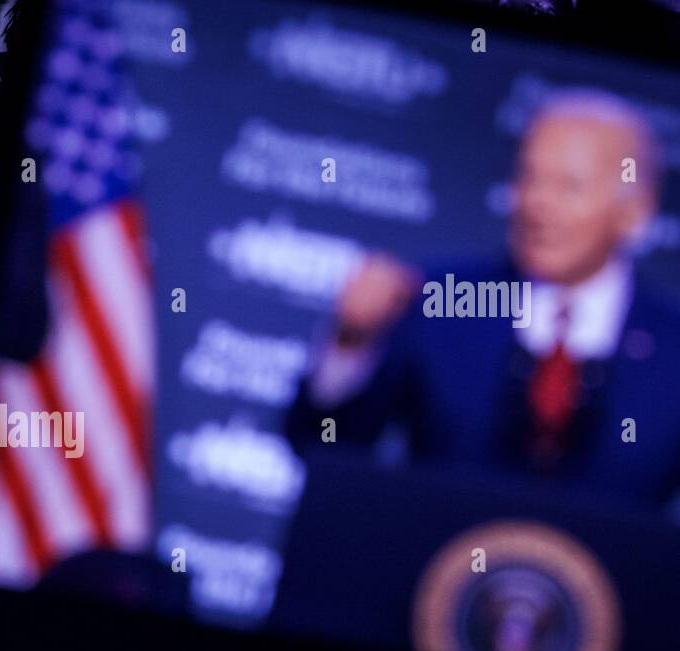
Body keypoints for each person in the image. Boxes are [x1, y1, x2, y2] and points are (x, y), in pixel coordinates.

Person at [287, 90, 680, 507]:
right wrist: (351, 345)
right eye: (529, 177)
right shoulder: (449, 300)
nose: (536, 203)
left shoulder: (672, 346)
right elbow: (325, 449)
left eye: (569, 186)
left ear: (634, 212)